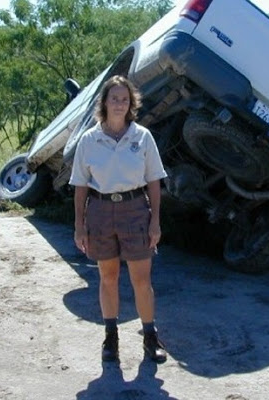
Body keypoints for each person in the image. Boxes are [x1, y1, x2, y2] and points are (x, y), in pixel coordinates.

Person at [69, 75, 168, 363]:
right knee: (107, 277)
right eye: (114, 98)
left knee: (141, 279)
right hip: (99, 211)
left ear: (131, 104)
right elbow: (80, 186)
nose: (119, 104)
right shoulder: (89, 140)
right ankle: (110, 339)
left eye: (124, 99)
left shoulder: (142, 137)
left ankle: (151, 338)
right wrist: (79, 224)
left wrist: (155, 221)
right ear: (104, 102)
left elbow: (154, 182)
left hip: (135, 210)